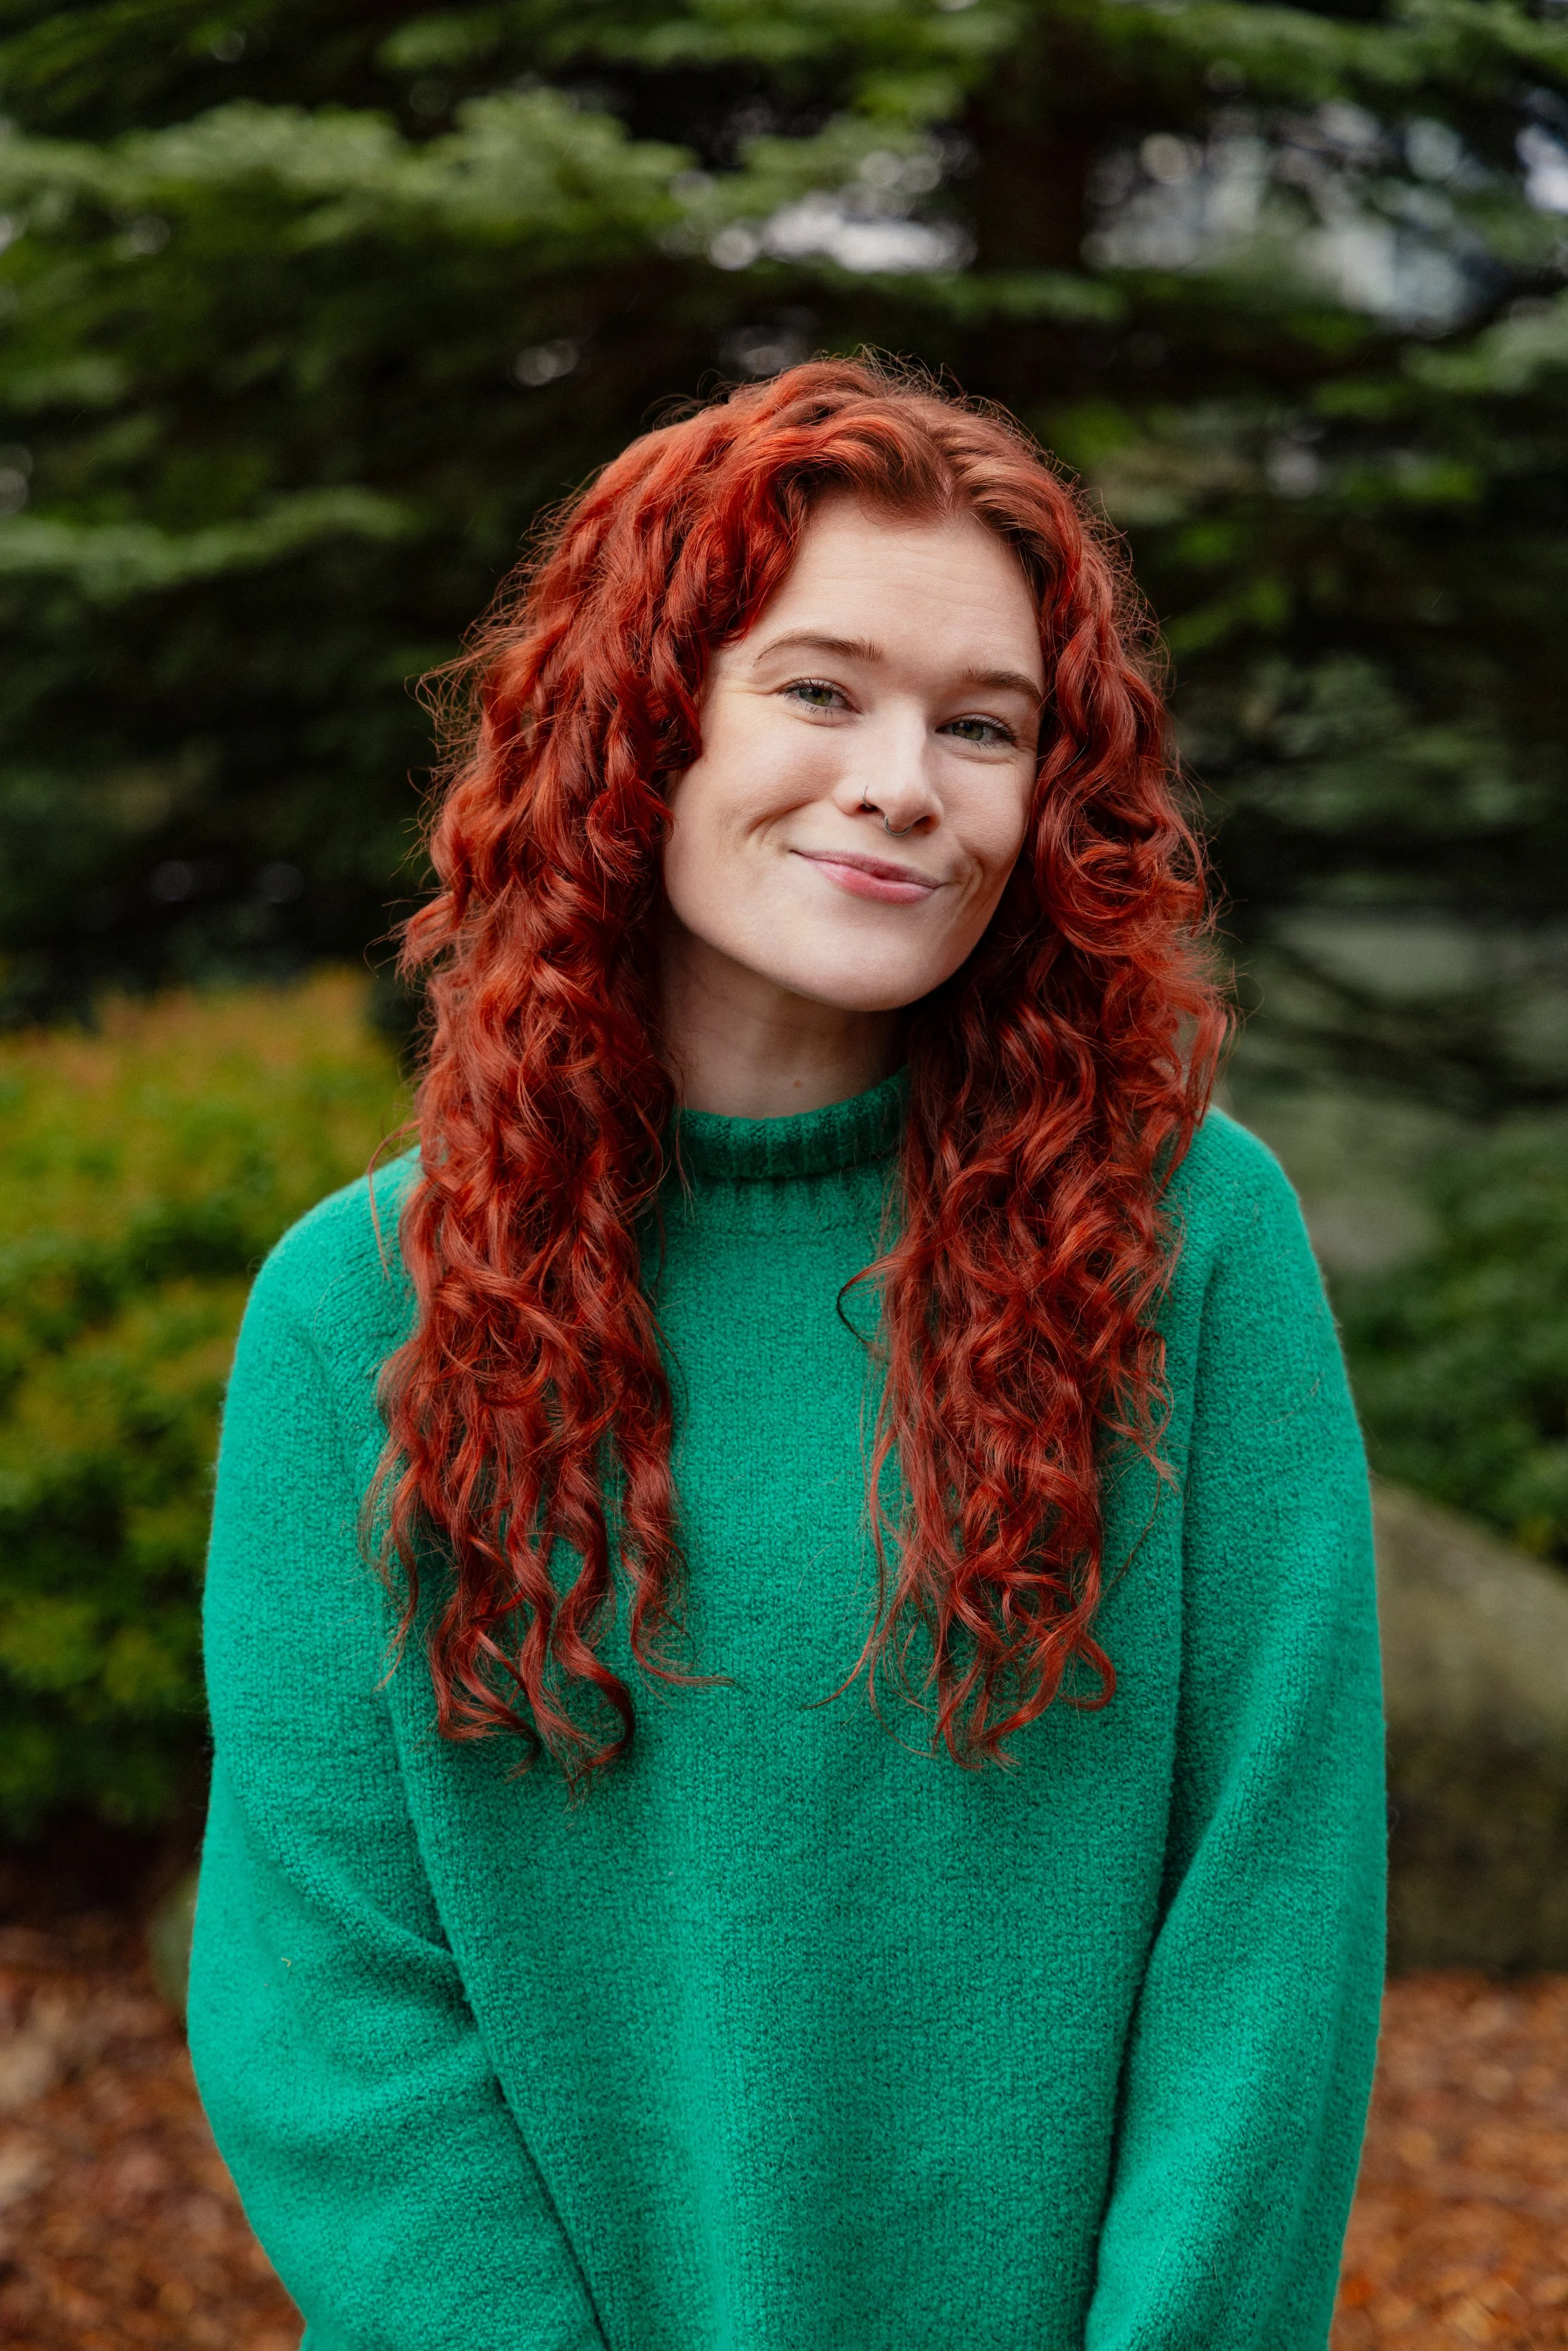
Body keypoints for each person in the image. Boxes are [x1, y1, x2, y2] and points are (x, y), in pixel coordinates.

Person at [187, 358, 1385, 2351]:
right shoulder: (354, 1313)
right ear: (642, 725)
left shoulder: (1187, 1243)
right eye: (818, 689)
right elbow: (330, 2006)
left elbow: (1271, 1929)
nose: (903, 779)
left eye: (982, 725)